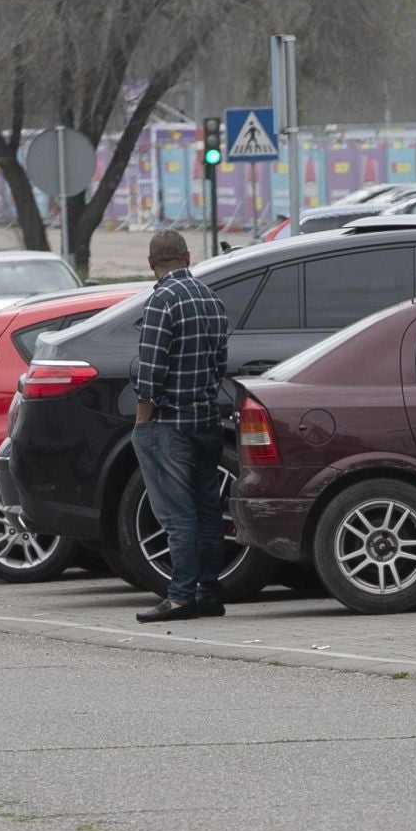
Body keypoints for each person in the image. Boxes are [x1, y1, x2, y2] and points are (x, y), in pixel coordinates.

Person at [129, 230, 232, 623]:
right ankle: (210, 593)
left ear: (151, 263)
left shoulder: (162, 300)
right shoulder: (212, 300)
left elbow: (151, 369)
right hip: (206, 420)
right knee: (207, 511)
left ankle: (180, 597)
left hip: (169, 423)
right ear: (187, 257)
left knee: (177, 515)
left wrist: (143, 419)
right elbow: (220, 364)